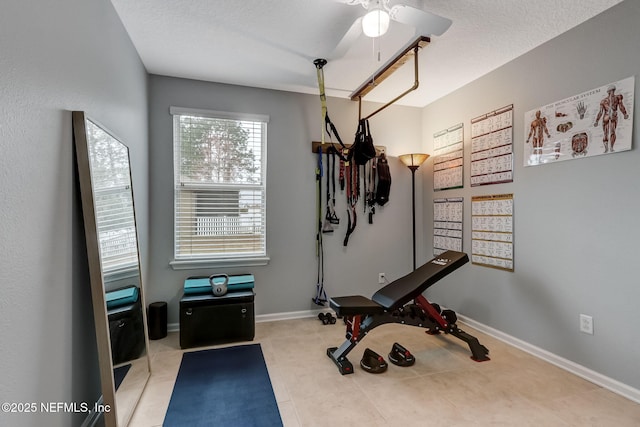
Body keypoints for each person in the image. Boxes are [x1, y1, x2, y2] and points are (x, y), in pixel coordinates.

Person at [594, 84, 629, 152]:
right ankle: (606, 148)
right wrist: (596, 121)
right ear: (609, 92)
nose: (612, 92)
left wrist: (625, 113)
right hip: (607, 116)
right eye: (611, 91)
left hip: (613, 115)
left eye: (613, 90)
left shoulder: (617, 98)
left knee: (612, 132)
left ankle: (611, 147)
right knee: (606, 133)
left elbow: (621, 106)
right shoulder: (604, 101)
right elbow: (600, 112)